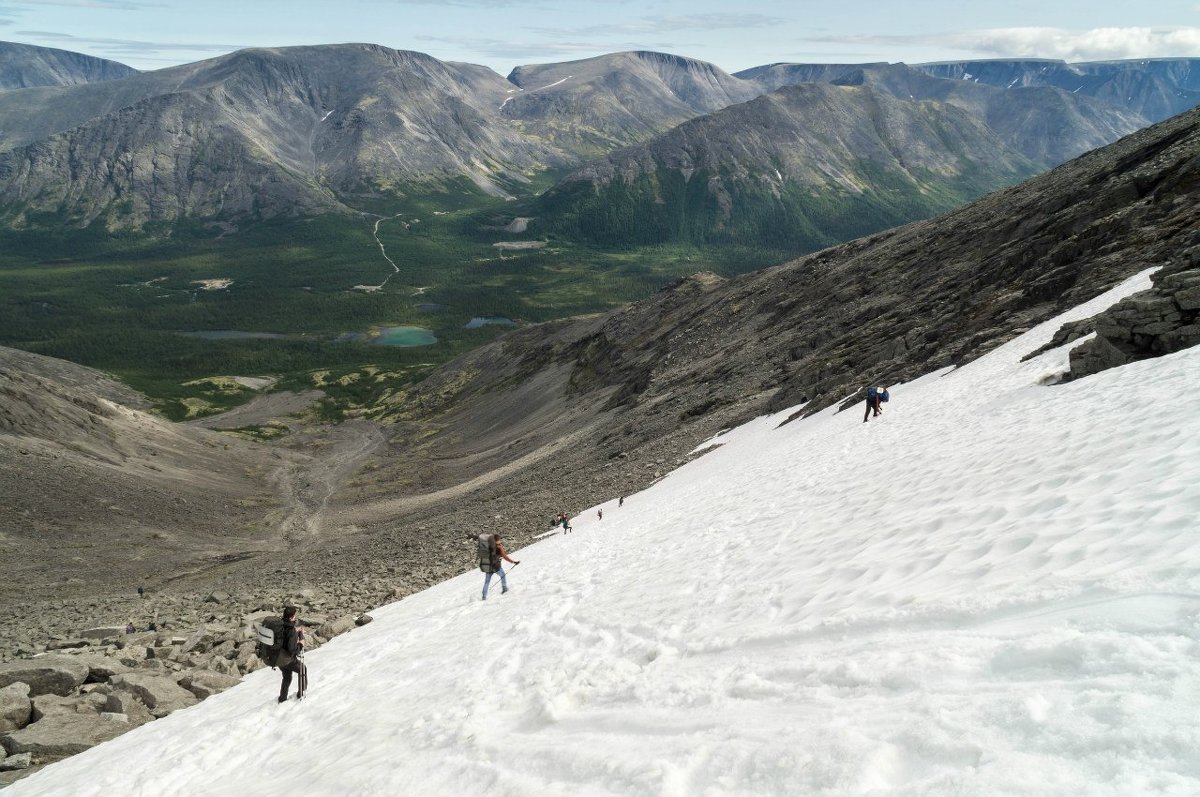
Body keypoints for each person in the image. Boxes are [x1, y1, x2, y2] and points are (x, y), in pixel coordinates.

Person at [276, 605, 307, 703]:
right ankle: (301, 694)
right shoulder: (291, 631)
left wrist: (295, 633)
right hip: (287, 659)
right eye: (294, 616)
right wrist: (301, 644)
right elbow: (292, 650)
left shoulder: (280, 625)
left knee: (287, 676)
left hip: (278, 657)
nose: (295, 617)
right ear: (291, 617)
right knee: (303, 669)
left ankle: (282, 699)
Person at [479, 533, 519, 600]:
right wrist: (513, 562)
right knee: (503, 575)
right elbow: (505, 556)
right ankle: (504, 588)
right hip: (496, 566)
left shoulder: (489, 546)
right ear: (498, 540)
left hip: (488, 567)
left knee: (487, 582)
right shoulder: (499, 547)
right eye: (499, 539)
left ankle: (484, 596)